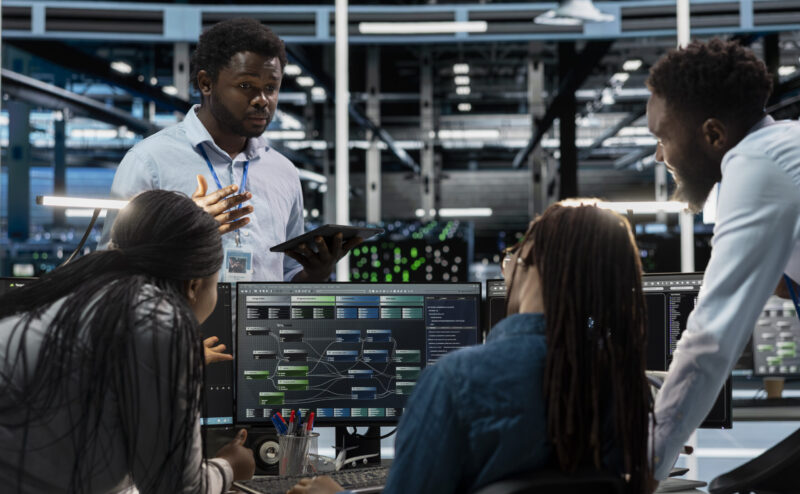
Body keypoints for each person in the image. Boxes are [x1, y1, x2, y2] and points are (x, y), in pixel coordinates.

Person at [289, 200, 654, 494]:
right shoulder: (626, 385)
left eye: (513, 258)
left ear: (534, 265)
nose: (507, 270)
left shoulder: (454, 381)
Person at [0, 190, 255, 493]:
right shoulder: (158, 318)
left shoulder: (83, 291)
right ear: (193, 285)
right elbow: (176, 489)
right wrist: (229, 466)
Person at [100, 18, 359, 284]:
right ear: (206, 84)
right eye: (246, 86)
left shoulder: (283, 172)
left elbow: (287, 275)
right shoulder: (149, 162)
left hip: (263, 326)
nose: (262, 100)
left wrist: (315, 274)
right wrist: (180, 234)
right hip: (181, 324)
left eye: (271, 88)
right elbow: (112, 270)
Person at [645, 38, 800, 480]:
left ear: (713, 134)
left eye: (662, 137)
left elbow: (710, 343)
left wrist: (641, 474)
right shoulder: (782, 147)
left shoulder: (757, 165)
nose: (659, 155)